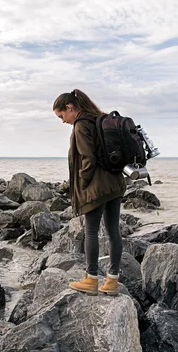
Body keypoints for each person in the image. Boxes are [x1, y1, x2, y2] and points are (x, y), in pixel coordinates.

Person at [53, 89, 126, 296]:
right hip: (115, 183)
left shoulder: (81, 125)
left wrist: (82, 185)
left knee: (91, 231)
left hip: (97, 187)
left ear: (69, 108)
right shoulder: (99, 119)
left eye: (61, 116)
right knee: (113, 232)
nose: (62, 121)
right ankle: (112, 282)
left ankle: (91, 279)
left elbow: (88, 159)